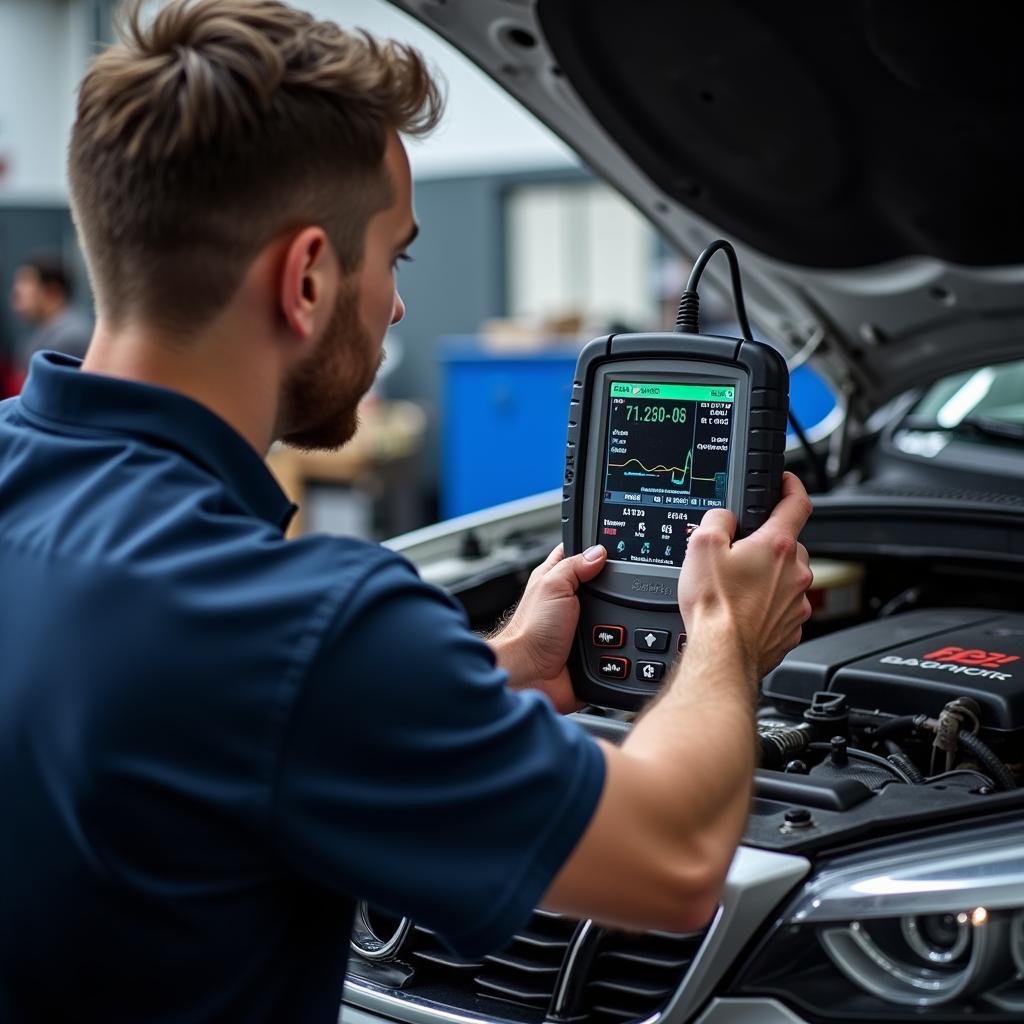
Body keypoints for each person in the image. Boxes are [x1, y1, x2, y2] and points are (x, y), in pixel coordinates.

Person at [0, 2, 813, 1021]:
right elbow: (674, 858)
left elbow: (217, 720)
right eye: (397, 255)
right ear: (304, 277)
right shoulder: (296, 622)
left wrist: (495, 666)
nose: (393, 305)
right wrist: (728, 638)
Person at [8, 250, 92, 370]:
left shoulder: (70, 338)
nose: (17, 292)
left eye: (25, 283)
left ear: (53, 292)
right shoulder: (42, 334)